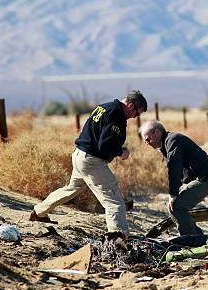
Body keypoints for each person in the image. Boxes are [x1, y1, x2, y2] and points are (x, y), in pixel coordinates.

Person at [29, 90, 147, 236]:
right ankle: (118, 239)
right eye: (136, 113)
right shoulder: (116, 115)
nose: (135, 117)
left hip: (79, 155)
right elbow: (105, 144)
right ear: (130, 105)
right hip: (92, 162)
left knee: (71, 188)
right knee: (114, 202)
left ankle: (39, 212)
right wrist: (121, 152)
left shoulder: (104, 107)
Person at [140, 120, 208, 236]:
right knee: (175, 207)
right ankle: (198, 238)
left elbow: (174, 167)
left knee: (177, 207)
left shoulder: (173, 140)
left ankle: (193, 242)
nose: (147, 143)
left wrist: (173, 194)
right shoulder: (167, 143)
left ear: (157, 132)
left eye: (148, 139)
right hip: (204, 177)